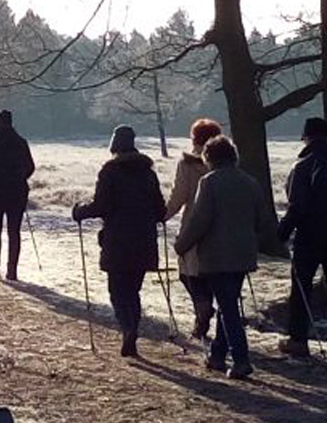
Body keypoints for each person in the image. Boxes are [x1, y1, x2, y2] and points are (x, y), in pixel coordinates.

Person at [173, 136, 275, 380]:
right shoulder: (250, 182)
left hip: (217, 254)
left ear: (210, 158)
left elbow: (200, 219)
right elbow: (263, 220)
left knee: (228, 307)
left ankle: (241, 359)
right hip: (243, 254)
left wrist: (182, 245)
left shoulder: (209, 182)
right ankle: (218, 355)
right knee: (227, 303)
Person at [71, 125, 166, 358]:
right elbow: (160, 210)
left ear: (114, 145)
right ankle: (132, 327)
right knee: (133, 289)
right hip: (144, 241)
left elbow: (101, 206)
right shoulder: (148, 173)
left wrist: (79, 211)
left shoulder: (110, 172)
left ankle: (127, 328)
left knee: (117, 290)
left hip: (117, 241)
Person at [275, 116, 327, 366]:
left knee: (301, 288)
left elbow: (297, 207)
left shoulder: (302, 166)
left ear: (307, 137)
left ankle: (298, 339)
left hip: (309, 239)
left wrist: (281, 234)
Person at [163, 117, 225, 338]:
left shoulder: (187, 163)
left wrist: (163, 215)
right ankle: (207, 311)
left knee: (189, 273)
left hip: (193, 224)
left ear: (195, 138)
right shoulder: (226, 164)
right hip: (221, 226)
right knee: (214, 274)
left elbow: (179, 196)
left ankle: (202, 311)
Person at [0, 109, 36, 280]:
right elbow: (30, 166)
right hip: (17, 194)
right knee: (14, 232)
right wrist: (20, 178)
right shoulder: (21, 142)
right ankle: (12, 271)